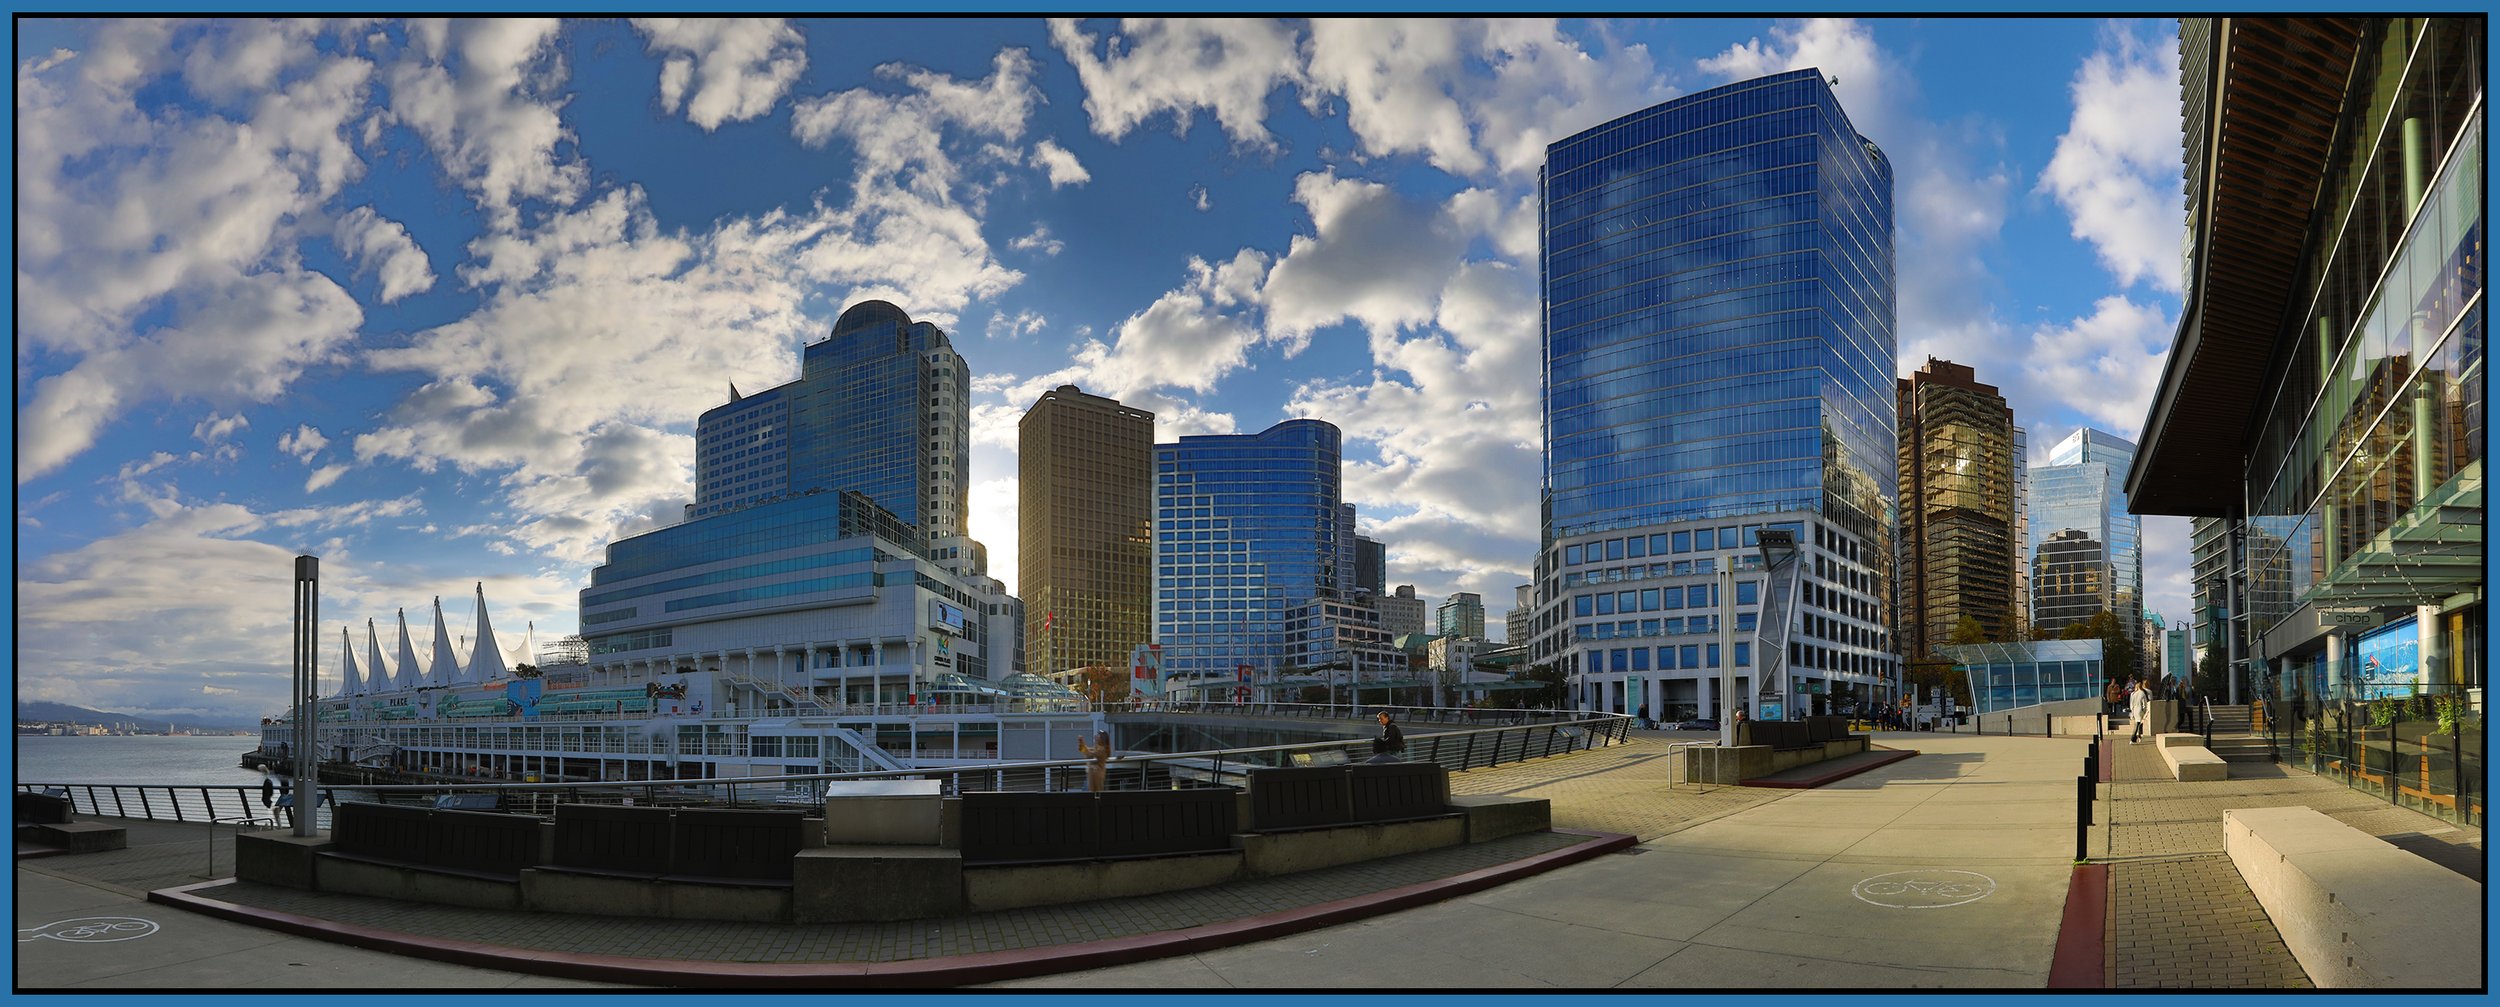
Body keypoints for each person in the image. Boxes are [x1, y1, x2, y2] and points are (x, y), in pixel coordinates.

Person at [2128, 677, 2149, 744]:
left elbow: (2131, 703)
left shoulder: (2133, 694)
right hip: (2140, 710)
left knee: (2138, 723)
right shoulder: (2142, 693)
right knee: (2138, 724)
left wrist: (2132, 710)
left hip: (2134, 710)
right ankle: (2133, 738)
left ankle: (2139, 736)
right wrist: (2144, 711)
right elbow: (2144, 704)